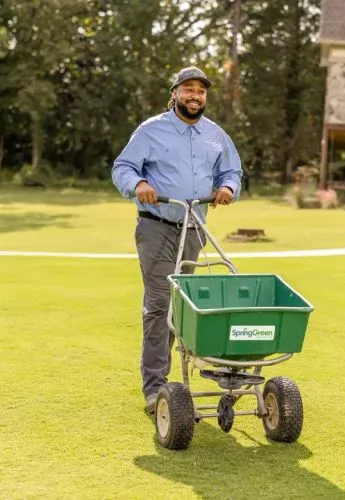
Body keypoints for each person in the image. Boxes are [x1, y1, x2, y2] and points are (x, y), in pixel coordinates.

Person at [111, 66, 242, 414]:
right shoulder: (151, 130)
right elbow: (123, 167)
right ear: (175, 94)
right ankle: (156, 389)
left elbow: (232, 171)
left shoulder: (216, 135)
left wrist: (228, 187)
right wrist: (138, 185)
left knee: (185, 305)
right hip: (157, 225)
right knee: (159, 305)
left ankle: (190, 379)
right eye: (188, 89)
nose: (195, 95)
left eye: (201, 90)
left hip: (195, 227)